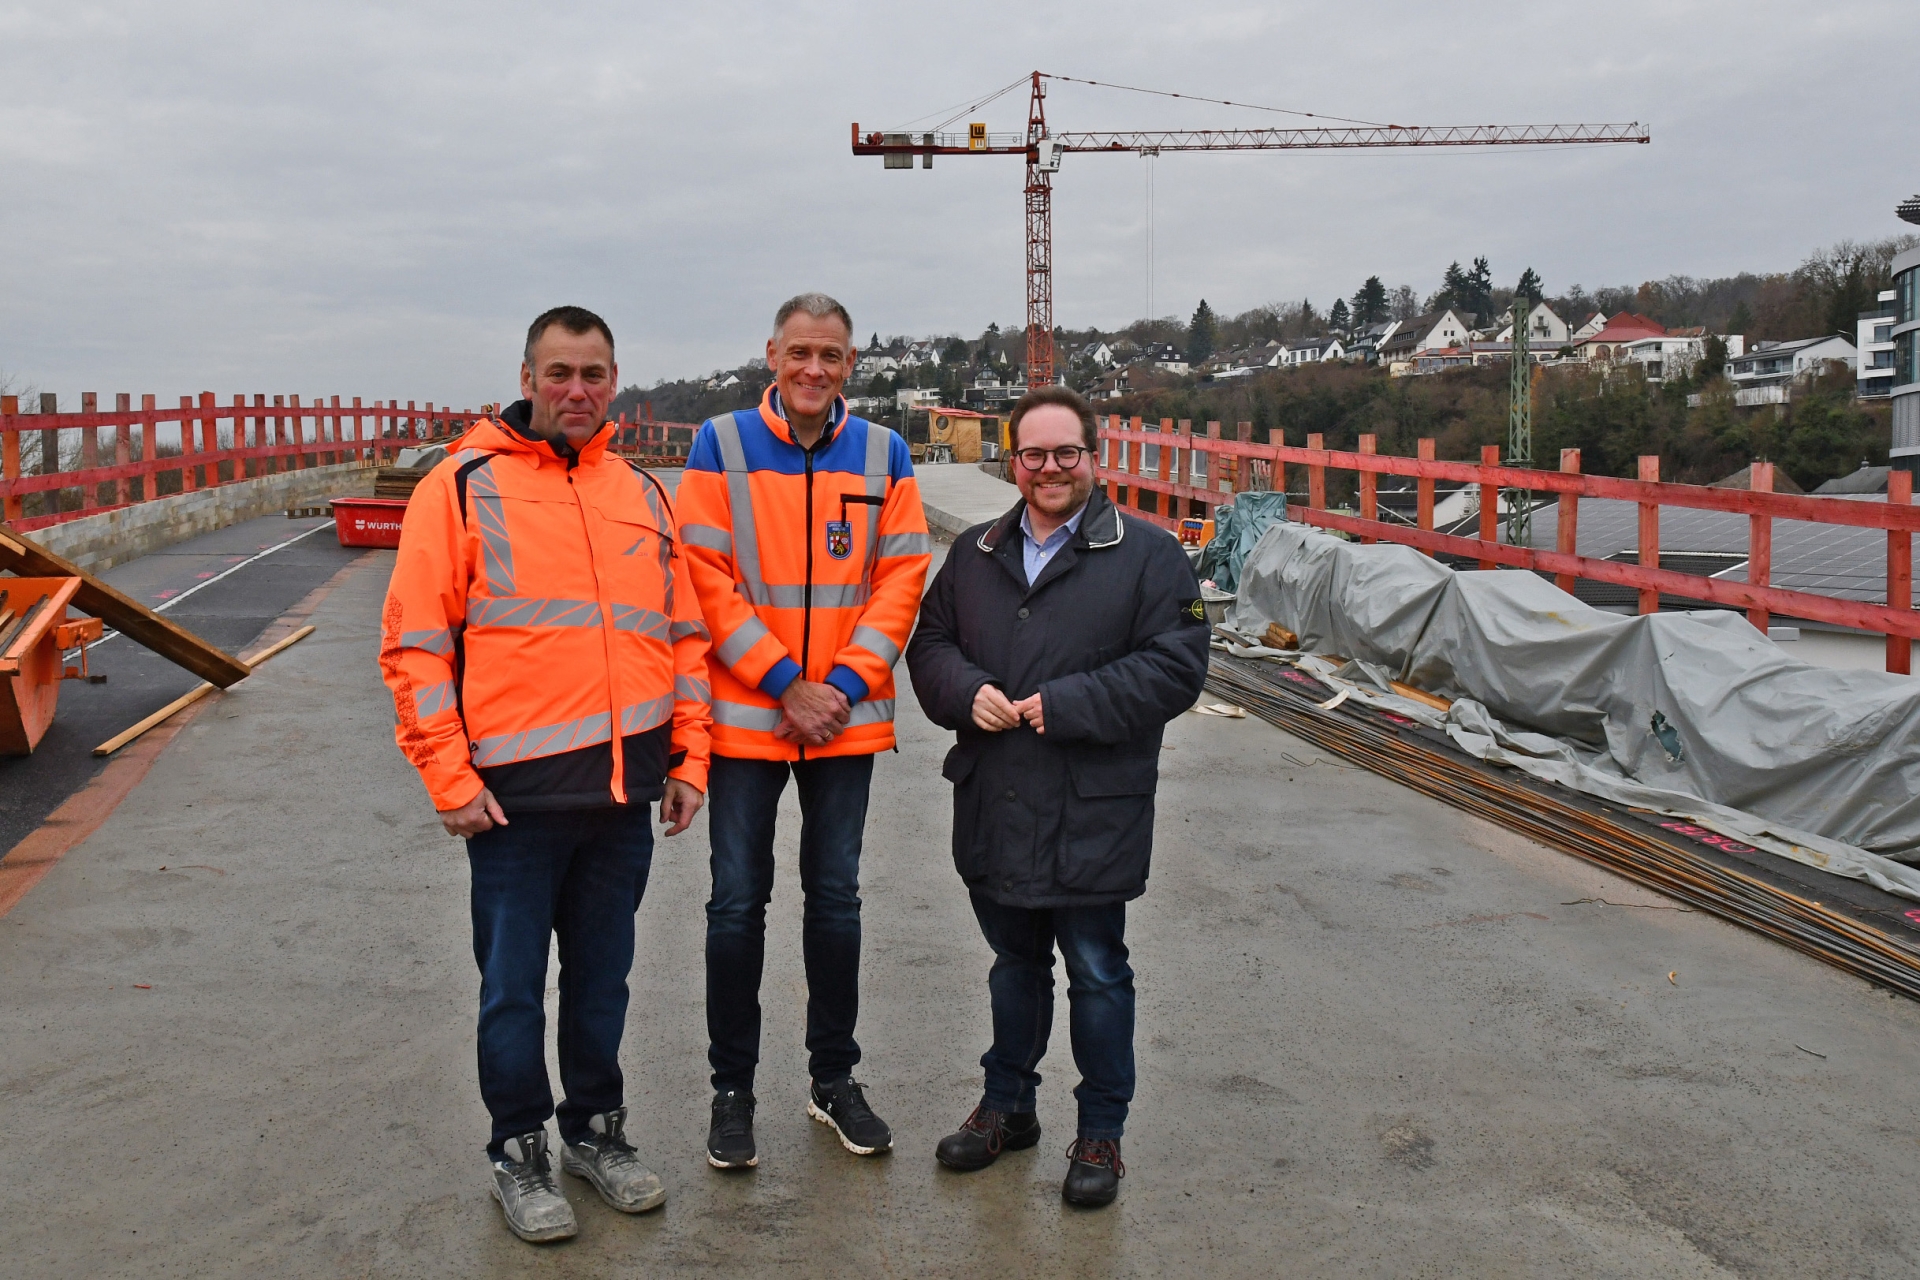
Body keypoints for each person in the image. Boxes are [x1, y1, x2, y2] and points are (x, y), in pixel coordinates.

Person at [380, 306, 712, 1243]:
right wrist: (448, 778)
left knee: (604, 980)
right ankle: (516, 1148)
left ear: (616, 381)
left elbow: (681, 635)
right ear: (526, 375)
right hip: (512, 801)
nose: (577, 390)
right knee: (513, 988)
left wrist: (689, 755)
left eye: (594, 373)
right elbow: (413, 646)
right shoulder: (460, 486)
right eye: (559, 371)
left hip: (623, 793)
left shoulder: (641, 493)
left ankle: (595, 1133)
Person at [904, 384, 1209, 1208]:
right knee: (1013, 964)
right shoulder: (975, 554)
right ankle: (1007, 1108)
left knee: (1098, 969)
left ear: (1093, 457)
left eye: (1065, 453)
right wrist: (965, 692)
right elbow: (928, 644)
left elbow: (1178, 664)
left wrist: (1068, 705)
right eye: (1033, 454)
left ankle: (1101, 1134)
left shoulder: (1150, 556)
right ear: (1014, 461)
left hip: (1092, 807)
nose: (1049, 468)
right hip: (997, 800)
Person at [675, 293, 931, 1169]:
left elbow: (899, 579)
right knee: (736, 904)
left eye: (830, 355)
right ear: (771, 357)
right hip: (751, 717)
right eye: (799, 354)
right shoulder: (721, 444)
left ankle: (833, 1080)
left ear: (850, 362)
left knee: (837, 900)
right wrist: (786, 682)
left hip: (842, 724)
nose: (813, 370)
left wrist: (842, 686)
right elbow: (704, 575)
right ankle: (731, 1091)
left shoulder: (885, 453)